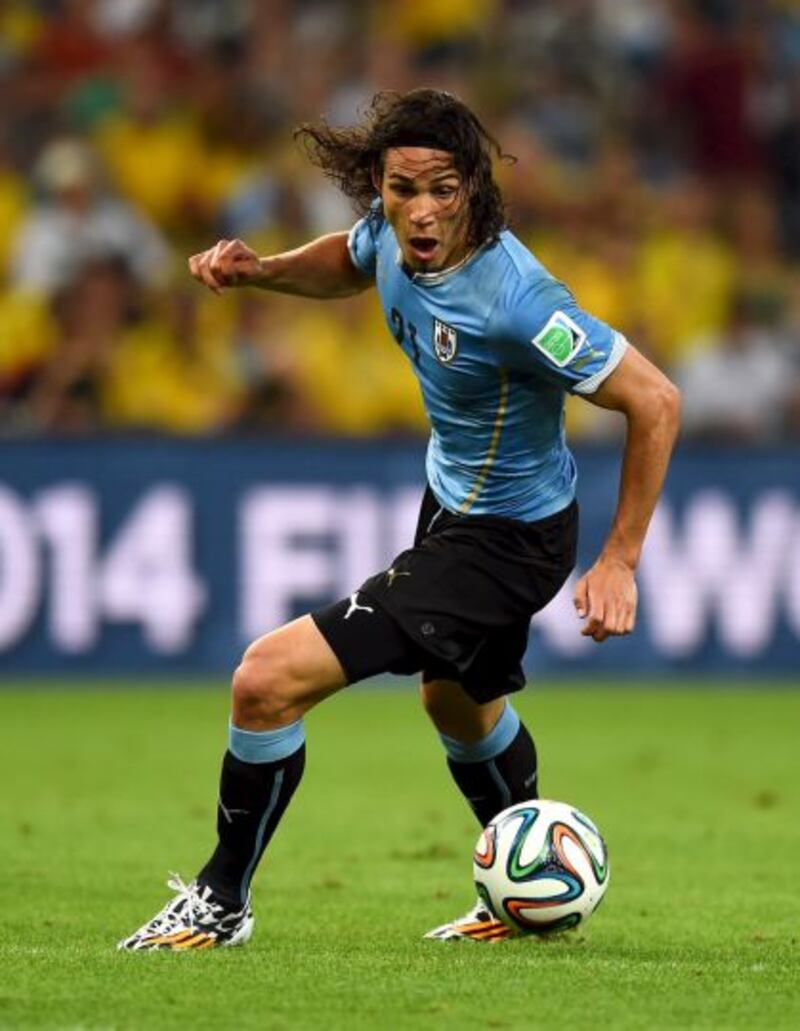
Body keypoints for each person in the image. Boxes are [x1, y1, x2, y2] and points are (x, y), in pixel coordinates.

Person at [119, 89, 681, 951]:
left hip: (507, 541)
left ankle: (219, 900)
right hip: (451, 505)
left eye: (442, 190)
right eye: (402, 189)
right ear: (378, 187)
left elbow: (656, 400)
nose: (420, 212)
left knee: (264, 680)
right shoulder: (388, 234)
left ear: (474, 190)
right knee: (456, 703)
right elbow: (348, 260)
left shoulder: (521, 303)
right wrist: (263, 270)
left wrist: (621, 560)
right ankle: (536, 885)